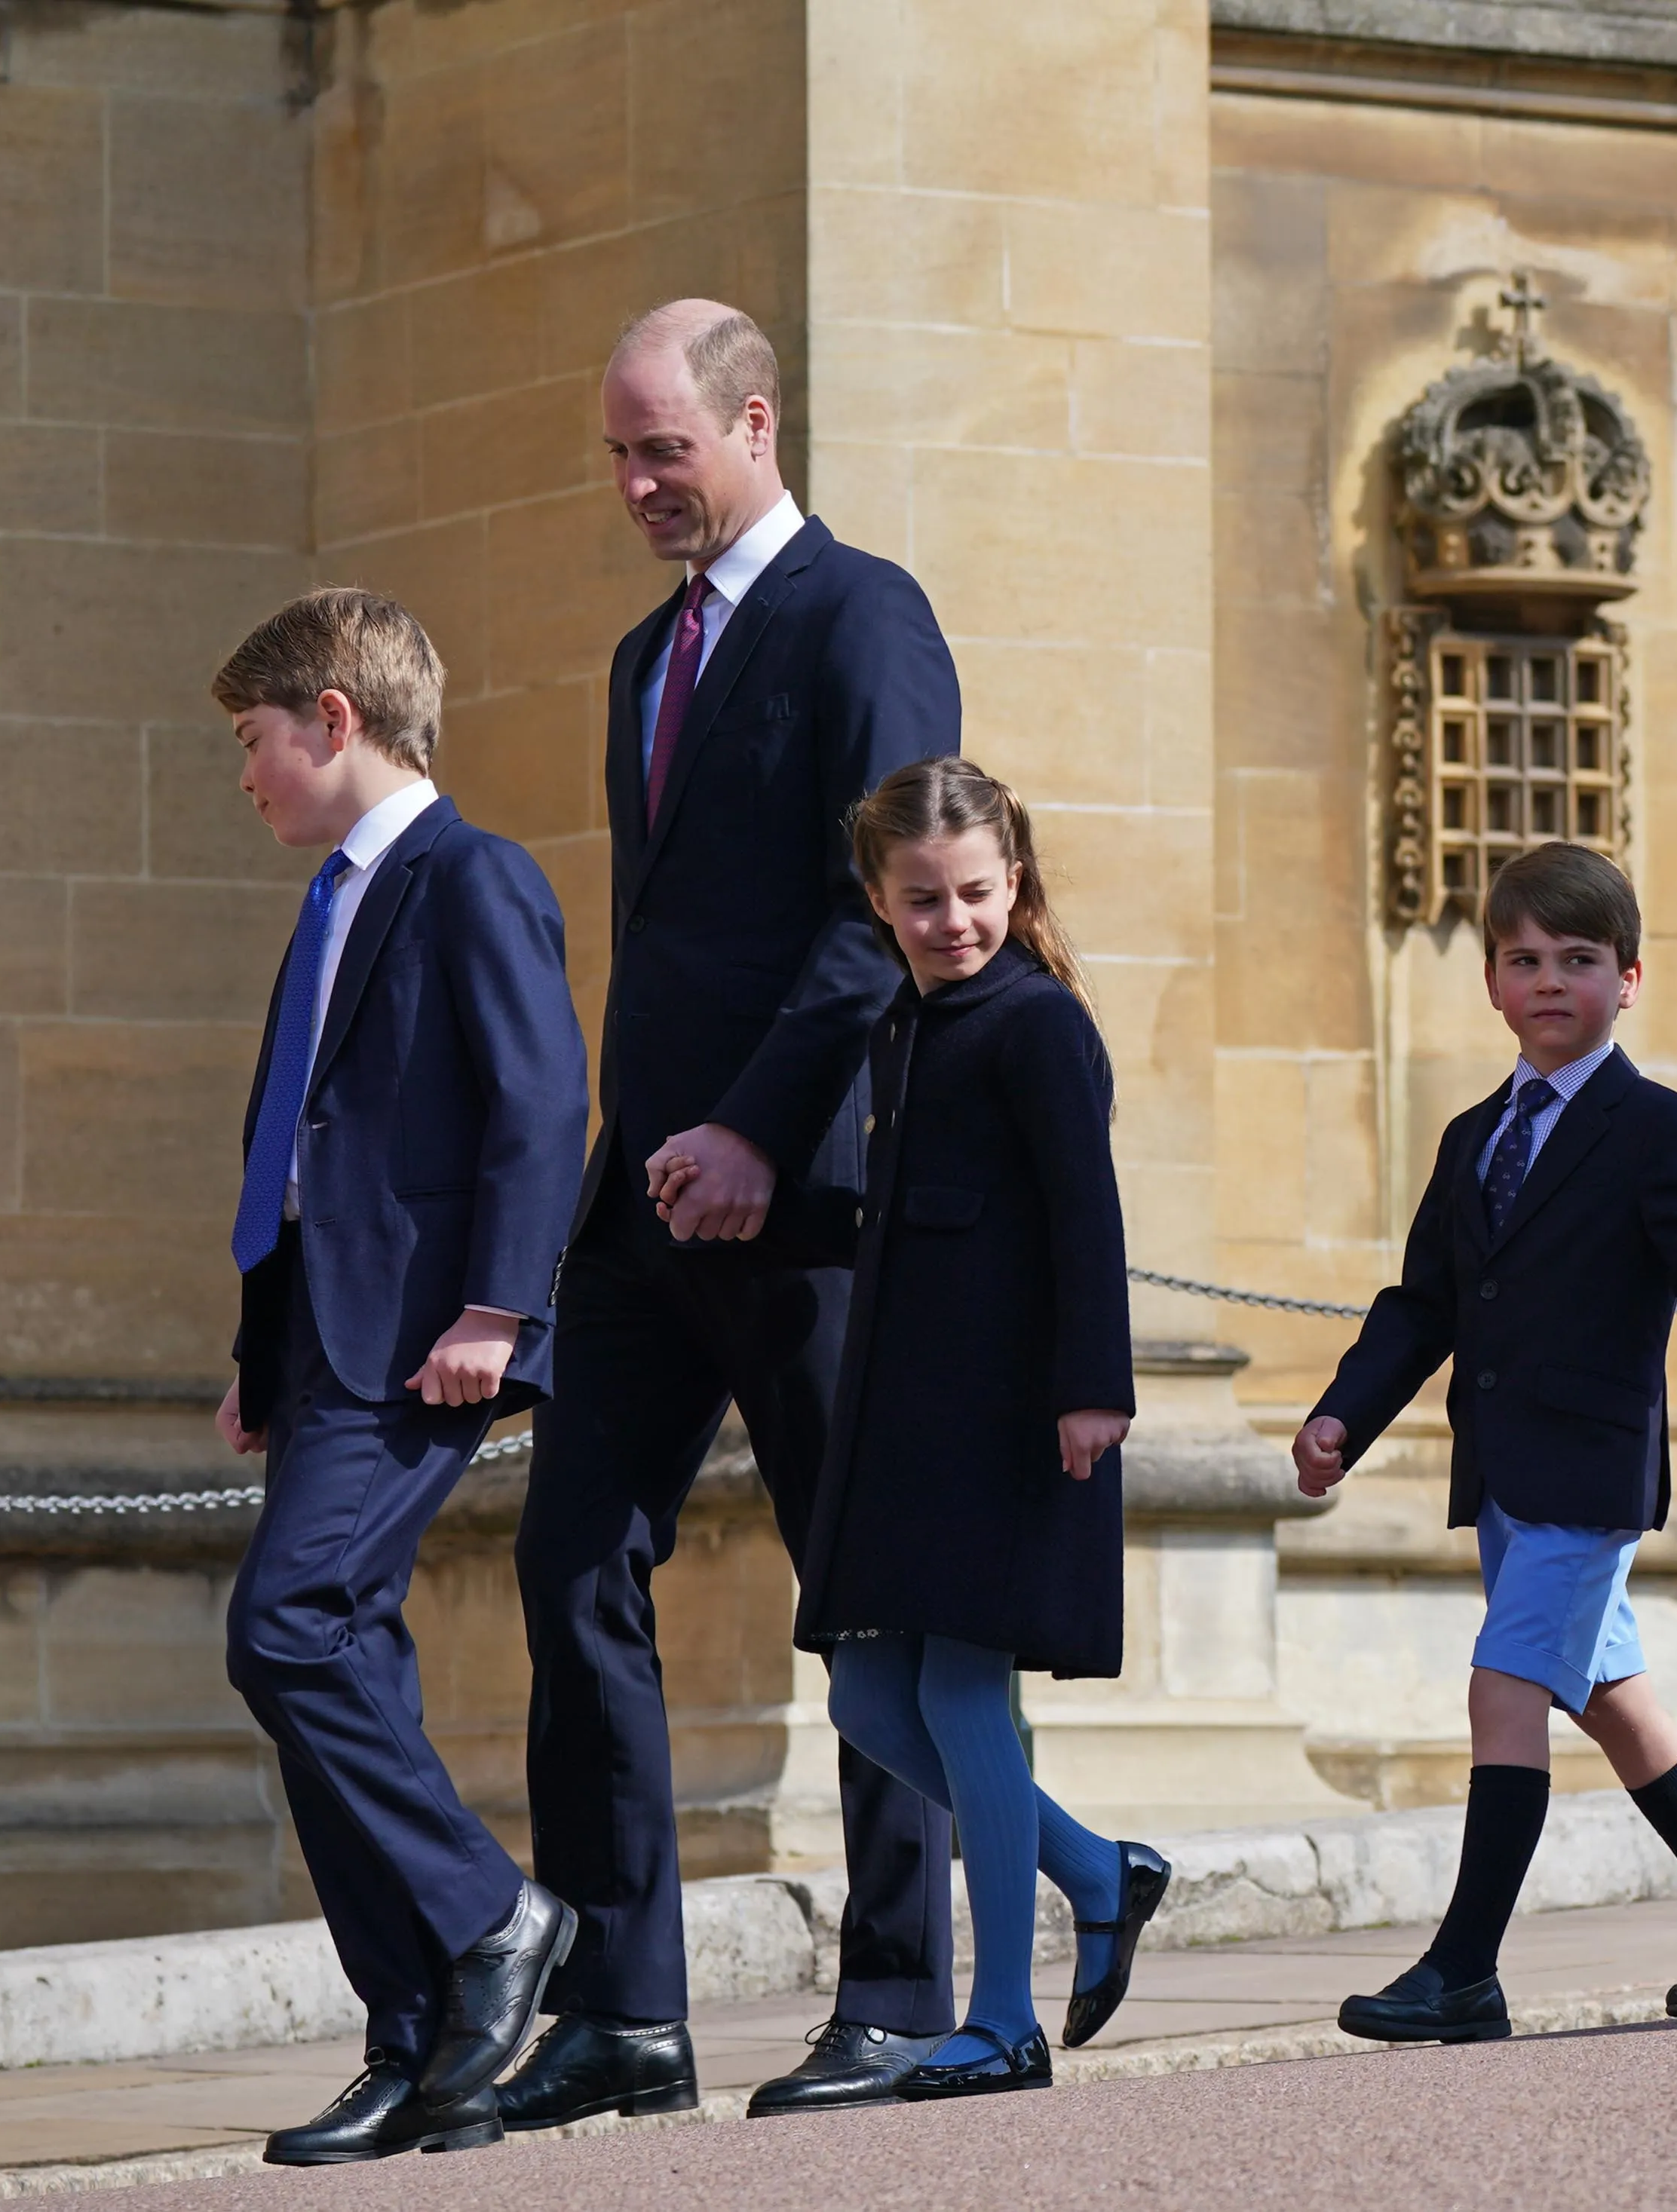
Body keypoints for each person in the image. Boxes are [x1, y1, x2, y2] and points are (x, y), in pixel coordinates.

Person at [502, 300, 963, 2130]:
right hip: (647, 1206)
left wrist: (765, 1128)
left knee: (863, 1595)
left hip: (816, 1193)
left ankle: (904, 1997)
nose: (633, 485)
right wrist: (642, 1152)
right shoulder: (639, 660)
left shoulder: (865, 616)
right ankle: (626, 2013)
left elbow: (888, 904)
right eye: (615, 455)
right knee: (565, 1562)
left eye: (660, 450)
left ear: (753, 424)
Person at [685, 755, 1162, 2097]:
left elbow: (1087, 1215)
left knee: (960, 1690)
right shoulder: (899, 1025)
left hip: (1015, 1408)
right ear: (879, 902)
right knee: (869, 1691)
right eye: (922, 900)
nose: (952, 920)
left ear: (1014, 880)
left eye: (974, 893)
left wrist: (1093, 1389)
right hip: (907, 1411)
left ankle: (1002, 2016)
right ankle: (1093, 1868)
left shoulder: (1039, 1024)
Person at [1293, 841, 1677, 2045]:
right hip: (1505, 1478)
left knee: (1503, 1687)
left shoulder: (1653, 1125)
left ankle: (1463, 1969)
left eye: (1579, 960)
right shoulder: (1475, 1135)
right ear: (1489, 981)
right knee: (1615, 1698)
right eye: (1524, 959)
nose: (1550, 981)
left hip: (1589, 1475)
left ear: (1629, 979)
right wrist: (1341, 1416)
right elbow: (1423, 1303)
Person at [208, 590, 587, 2165]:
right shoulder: (330, 901)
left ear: (335, 720)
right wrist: (256, 1353)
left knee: (279, 1627)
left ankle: (494, 1916)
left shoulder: (470, 876)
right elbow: (303, 1140)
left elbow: (538, 1099)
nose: (247, 776)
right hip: (322, 1342)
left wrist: (501, 1307)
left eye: (254, 741)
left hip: (424, 1340)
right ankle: (420, 2040)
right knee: (339, 1655)